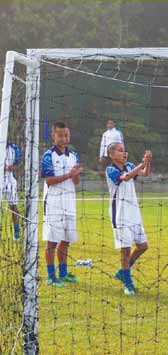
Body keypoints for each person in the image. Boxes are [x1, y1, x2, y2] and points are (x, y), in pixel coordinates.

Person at [105, 142, 151, 296]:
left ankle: (122, 273)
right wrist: (142, 164)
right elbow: (125, 177)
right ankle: (128, 284)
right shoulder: (111, 169)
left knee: (143, 246)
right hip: (120, 215)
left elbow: (144, 173)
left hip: (134, 213)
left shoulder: (130, 165)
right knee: (125, 250)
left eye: (125, 150)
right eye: (120, 151)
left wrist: (147, 162)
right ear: (112, 155)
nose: (124, 153)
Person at [41, 121, 81, 288]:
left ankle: (63, 274)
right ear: (53, 136)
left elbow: (76, 182)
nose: (64, 138)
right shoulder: (48, 155)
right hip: (54, 203)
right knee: (52, 241)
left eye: (66, 135)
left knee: (66, 240)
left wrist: (76, 174)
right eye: (60, 135)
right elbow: (49, 180)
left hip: (69, 203)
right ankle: (51, 276)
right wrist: (68, 175)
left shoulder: (74, 156)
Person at [4, 139, 20, 241]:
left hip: (10, 180)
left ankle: (17, 233)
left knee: (14, 207)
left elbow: (18, 165)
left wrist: (12, 167)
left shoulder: (14, 148)